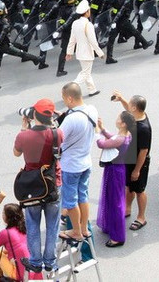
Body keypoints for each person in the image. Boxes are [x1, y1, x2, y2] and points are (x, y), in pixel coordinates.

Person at [13, 99, 63, 273]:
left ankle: (35, 261)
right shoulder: (57, 134)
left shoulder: (24, 136)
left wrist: (24, 128)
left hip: (32, 187)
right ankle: (50, 261)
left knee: (33, 223)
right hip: (53, 184)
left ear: (34, 114)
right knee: (53, 225)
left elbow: (16, 153)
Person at [57, 82, 98, 243]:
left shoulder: (71, 119)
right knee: (83, 196)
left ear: (69, 98)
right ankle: (84, 228)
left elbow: (58, 139)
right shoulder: (92, 110)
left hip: (71, 166)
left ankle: (76, 231)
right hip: (86, 162)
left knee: (70, 200)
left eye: (64, 98)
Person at [111, 92, 151, 232]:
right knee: (128, 186)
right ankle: (127, 208)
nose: (128, 106)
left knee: (139, 190)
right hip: (129, 158)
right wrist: (121, 99)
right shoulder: (137, 116)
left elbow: (144, 151)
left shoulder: (143, 128)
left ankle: (141, 217)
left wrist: (137, 170)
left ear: (134, 108)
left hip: (139, 163)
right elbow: (129, 108)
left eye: (130, 104)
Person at [95, 110, 135, 247]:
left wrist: (97, 132)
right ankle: (112, 227)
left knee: (115, 202)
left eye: (119, 118)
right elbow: (112, 137)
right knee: (112, 200)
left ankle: (117, 237)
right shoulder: (126, 135)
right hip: (117, 169)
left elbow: (102, 144)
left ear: (123, 124)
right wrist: (102, 129)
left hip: (114, 171)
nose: (116, 119)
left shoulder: (120, 139)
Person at [66, 0, 104, 97]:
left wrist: (69, 52)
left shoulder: (75, 23)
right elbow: (93, 41)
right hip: (87, 52)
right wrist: (100, 53)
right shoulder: (88, 25)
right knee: (85, 73)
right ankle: (71, 88)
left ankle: (92, 90)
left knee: (86, 71)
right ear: (87, 12)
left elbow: (72, 39)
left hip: (80, 52)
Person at [0, 204, 32, 281]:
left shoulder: (5, 233)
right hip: (33, 272)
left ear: (8, 217)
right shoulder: (25, 228)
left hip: (19, 275)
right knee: (5, 251)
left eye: (3, 213)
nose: (2, 215)